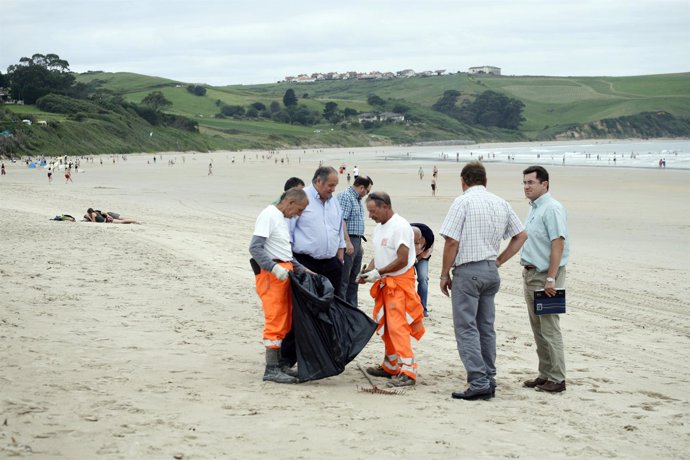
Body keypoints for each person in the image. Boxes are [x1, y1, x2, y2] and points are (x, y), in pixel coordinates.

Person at [439, 161, 527, 401]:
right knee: (486, 328)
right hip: (490, 270)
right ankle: (489, 377)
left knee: (466, 327)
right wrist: (499, 260)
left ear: (463, 181)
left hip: (469, 271)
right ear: (485, 181)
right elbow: (521, 235)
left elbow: (452, 241)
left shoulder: (463, 201)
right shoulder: (501, 202)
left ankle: (478, 380)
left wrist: (444, 273)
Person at [358, 192, 425, 387]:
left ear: (385, 206)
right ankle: (391, 365)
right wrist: (367, 273)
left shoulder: (401, 227)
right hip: (385, 282)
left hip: (399, 284)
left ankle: (408, 371)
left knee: (398, 327)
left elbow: (402, 259)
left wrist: (378, 273)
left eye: (372, 211)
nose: (370, 216)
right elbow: (379, 256)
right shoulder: (380, 229)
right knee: (386, 325)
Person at [249, 188, 309, 384]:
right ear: (290, 202)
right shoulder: (269, 215)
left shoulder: (280, 219)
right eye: (299, 210)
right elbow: (255, 247)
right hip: (272, 277)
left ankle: (280, 365)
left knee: (285, 319)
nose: (298, 215)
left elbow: (286, 253)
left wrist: (303, 270)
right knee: (275, 319)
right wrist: (274, 268)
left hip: (284, 273)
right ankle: (272, 368)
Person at [520, 165, 570, 393]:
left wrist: (551, 278)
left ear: (544, 184)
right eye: (524, 182)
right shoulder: (534, 208)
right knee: (538, 328)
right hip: (531, 274)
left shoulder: (552, 208)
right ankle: (545, 374)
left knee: (550, 327)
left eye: (531, 182)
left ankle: (558, 379)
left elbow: (558, 243)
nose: (526, 186)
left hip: (546, 276)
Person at [290, 167, 346, 297]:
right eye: (330, 185)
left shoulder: (335, 202)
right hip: (306, 263)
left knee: (333, 304)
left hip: (332, 264)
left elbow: (339, 231)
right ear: (319, 181)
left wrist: (340, 258)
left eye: (335, 186)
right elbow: (289, 231)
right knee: (308, 304)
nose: (333, 189)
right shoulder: (302, 197)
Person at [337, 175, 373, 307]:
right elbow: (342, 220)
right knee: (345, 277)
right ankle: (343, 306)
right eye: (367, 191)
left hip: (356, 240)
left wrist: (359, 244)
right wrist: (347, 241)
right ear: (361, 187)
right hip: (349, 240)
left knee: (355, 278)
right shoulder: (346, 196)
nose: (366, 194)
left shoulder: (356, 199)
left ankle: (352, 306)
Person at [410, 223, 434, 317]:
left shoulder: (429, 239)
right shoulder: (404, 234)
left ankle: (422, 309)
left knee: (423, 279)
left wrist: (417, 259)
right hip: (406, 256)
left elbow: (426, 253)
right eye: (416, 242)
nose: (418, 246)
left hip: (422, 257)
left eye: (421, 243)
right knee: (407, 280)